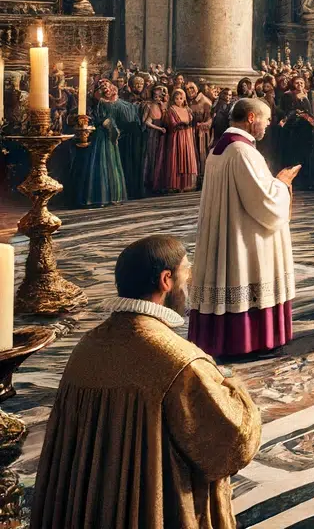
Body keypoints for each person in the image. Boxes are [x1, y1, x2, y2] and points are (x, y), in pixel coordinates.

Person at [32, 235, 261, 529]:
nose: (190, 281)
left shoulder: (87, 346)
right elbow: (230, 443)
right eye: (186, 272)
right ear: (166, 280)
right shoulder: (179, 359)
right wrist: (234, 386)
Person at [190, 97, 298, 359]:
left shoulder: (223, 148)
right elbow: (264, 202)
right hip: (244, 237)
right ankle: (249, 340)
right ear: (251, 118)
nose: (269, 125)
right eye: (267, 119)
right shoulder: (242, 151)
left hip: (229, 230)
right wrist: (282, 183)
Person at [67, 78, 130, 207]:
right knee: (97, 163)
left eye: (108, 87)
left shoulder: (113, 102)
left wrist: (111, 125)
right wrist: (100, 121)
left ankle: (112, 196)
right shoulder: (92, 103)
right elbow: (87, 116)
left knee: (111, 164)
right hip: (97, 136)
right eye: (102, 88)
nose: (106, 90)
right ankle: (96, 197)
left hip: (108, 136)